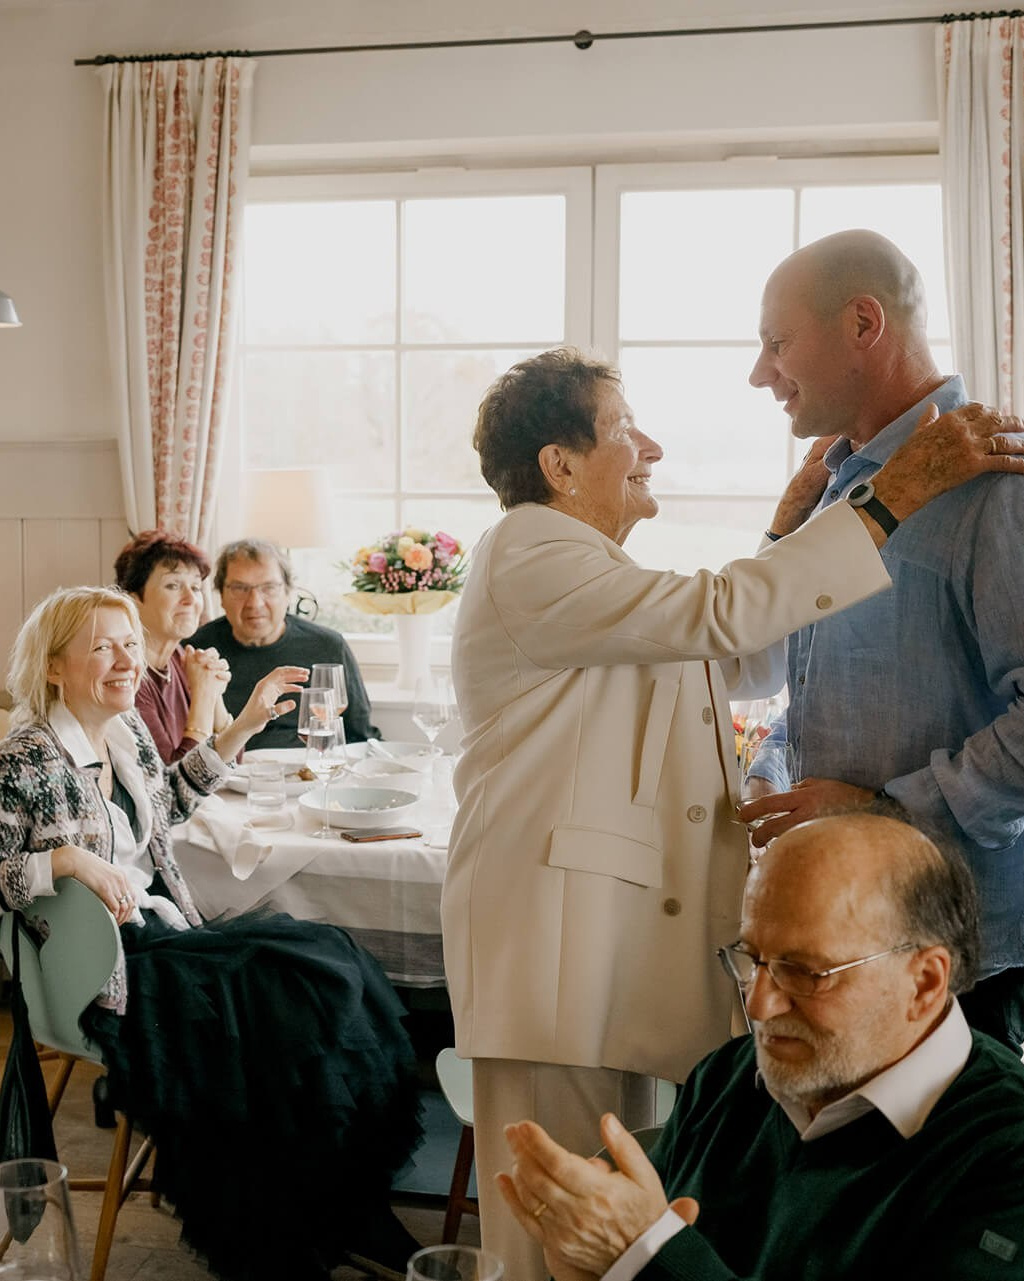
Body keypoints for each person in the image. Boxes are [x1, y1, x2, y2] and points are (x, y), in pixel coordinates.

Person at [440, 346, 1024, 1281]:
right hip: (558, 957)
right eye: (625, 428)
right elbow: (719, 616)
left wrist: (794, 528)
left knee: (623, 1208)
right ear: (558, 465)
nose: (652, 448)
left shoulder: (592, 574)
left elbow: (739, 659)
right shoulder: (529, 548)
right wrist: (889, 496)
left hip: (606, 950)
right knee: (555, 1227)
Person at [0, 586, 422, 1281]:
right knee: (278, 996)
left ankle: (341, 1204)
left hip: (157, 932)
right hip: (97, 967)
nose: (125, 661)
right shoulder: (25, 757)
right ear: (52, 666)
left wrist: (245, 723)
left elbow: (167, 804)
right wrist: (66, 859)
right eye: (102, 647)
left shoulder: (126, 732)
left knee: (327, 967)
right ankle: (288, 1225)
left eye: (130, 644)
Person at [499, 814, 1024, 1281]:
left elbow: (644, 1252)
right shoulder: (729, 1075)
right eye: (752, 960)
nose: (759, 1005)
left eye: (803, 972)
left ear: (925, 982)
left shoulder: (1005, 1153)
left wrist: (646, 1255)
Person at [740, 229, 1024, 1053]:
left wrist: (883, 809)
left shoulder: (996, 488)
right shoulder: (836, 496)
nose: (760, 373)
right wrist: (774, 768)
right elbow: (837, 688)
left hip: (955, 963)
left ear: (864, 323)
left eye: (777, 342)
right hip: (840, 942)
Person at [189, 538, 380, 751]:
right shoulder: (196, 652)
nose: (254, 603)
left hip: (307, 767)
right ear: (221, 596)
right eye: (240, 588)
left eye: (268, 588)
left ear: (288, 593)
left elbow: (361, 737)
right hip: (226, 769)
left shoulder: (328, 646)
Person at [113, 530, 236, 763]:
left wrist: (214, 694)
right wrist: (203, 695)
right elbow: (173, 779)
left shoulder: (181, 659)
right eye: (173, 585)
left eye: (196, 587)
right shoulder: (126, 676)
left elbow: (232, 763)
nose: (190, 599)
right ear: (132, 600)